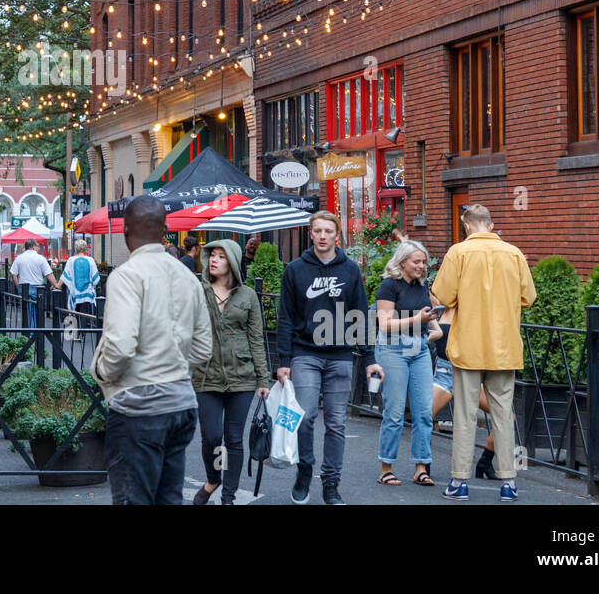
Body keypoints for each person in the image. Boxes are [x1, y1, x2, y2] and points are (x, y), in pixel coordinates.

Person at [92, 195, 212, 505]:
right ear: (166, 230)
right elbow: (203, 349)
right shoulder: (189, 278)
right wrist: (174, 366)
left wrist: (103, 374)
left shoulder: (126, 276)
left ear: (124, 231)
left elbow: (120, 347)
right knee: (169, 498)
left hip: (137, 407)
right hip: (181, 403)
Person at [276, 210, 382, 505]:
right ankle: (305, 469)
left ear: (337, 235)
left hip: (339, 356)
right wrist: (283, 361)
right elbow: (285, 317)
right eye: (317, 231)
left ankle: (332, 483)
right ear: (311, 234)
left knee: (336, 423)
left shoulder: (349, 270)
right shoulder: (295, 270)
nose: (322, 236)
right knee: (306, 416)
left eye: (328, 231)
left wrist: (370, 357)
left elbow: (360, 314)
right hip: (305, 353)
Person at [434, 204, 536, 502]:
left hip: (468, 345)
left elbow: (443, 294)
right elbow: (528, 297)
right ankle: (508, 483)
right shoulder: (514, 254)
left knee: (465, 415)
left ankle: (459, 481)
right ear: (491, 225)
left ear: (467, 226)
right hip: (504, 346)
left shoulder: (458, 253)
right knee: (503, 415)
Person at [191, 239, 270, 505]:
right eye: (211, 255)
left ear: (233, 263)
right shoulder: (199, 291)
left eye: (221, 257)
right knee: (212, 436)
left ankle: (228, 495)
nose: (213, 260)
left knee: (234, 439)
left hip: (242, 378)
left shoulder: (247, 296)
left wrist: (262, 379)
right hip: (206, 374)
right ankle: (214, 478)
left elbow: (256, 338)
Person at [374, 240, 442, 488]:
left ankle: (421, 468)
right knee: (394, 412)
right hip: (393, 347)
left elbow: (426, 320)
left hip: (419, 347)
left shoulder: (423, 286)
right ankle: (386, 468)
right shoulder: (389, 285)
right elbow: (385, 324)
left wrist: (431, 326)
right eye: (416, 261)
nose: (421, 266)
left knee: (424, 411)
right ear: (402, 261)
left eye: (423, 262)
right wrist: (417, 319)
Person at [429, 304, 501, 479]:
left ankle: (485, 460)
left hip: (471, 374)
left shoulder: (476, 306)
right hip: (444, 374)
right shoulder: (439, 305)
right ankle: (424, 465)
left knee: (507, 416)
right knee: (423, 416)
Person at [10, 238, 53, 328]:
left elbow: (13, 274)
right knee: (38, 312)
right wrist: (56, 285)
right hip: (38, 288)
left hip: (24, 287)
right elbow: (49, 274)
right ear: (33, 247)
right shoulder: (40, 258)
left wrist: (18, 286)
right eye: (37, 246)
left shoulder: (19, 258)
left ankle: (29, 334)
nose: (38, 248)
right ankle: (38, 334)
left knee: (27, 313)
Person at [59, 240, 100, 317]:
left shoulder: (71, 260)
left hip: (75, 293)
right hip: (87, 293)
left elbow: (65, 275)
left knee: (76, 315)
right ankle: (84, 328)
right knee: (86, 316)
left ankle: (78, 328)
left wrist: (57, 285)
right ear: (85, 248)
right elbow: (96, 278)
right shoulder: (90, 260)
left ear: (76, 248)